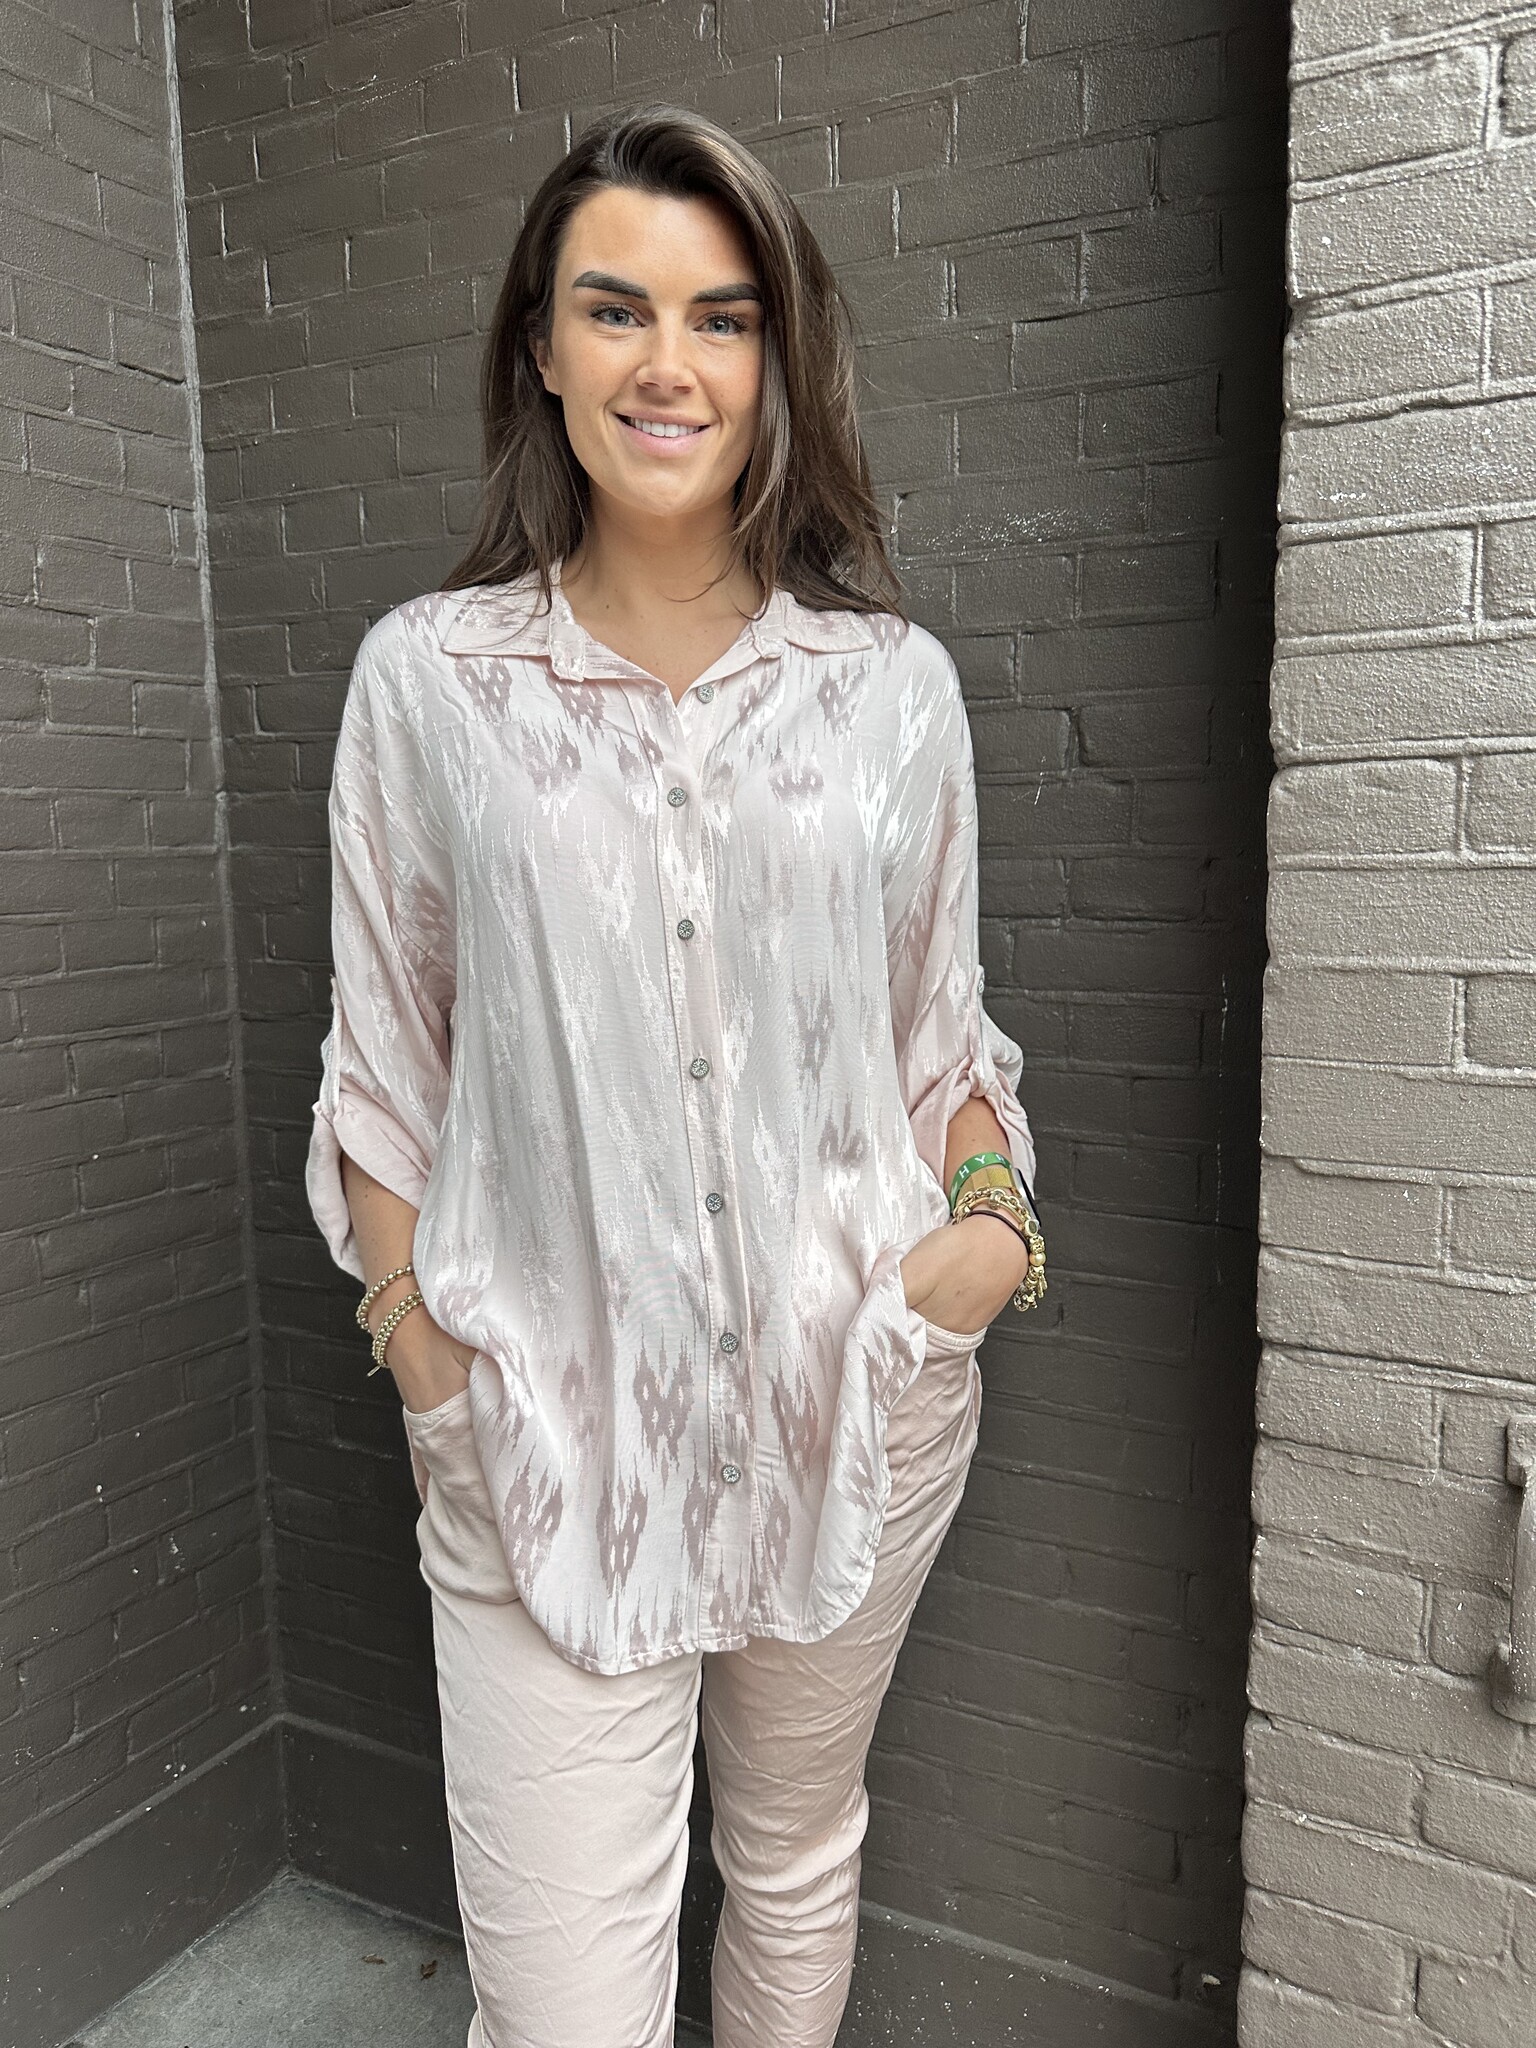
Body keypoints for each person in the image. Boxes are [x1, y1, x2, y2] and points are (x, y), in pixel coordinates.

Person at [305, 102, 1045, 2048]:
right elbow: (386, 1061)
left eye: (722, 317)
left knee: (792, 1862)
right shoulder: (429, 685)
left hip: (853, 1398)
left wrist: (983, 1239)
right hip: (535, 1418)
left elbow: (939, 1037)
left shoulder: (889, 694)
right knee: (562, 2010)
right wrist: (419, 1341)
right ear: (541, 347)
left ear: (775, 357)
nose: (669, 363)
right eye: (615, 308)